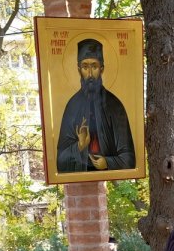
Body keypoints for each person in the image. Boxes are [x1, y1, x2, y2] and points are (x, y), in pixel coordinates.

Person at [56, 38, 136, 174]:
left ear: (102, 69)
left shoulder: (114, 105)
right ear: (78, 69)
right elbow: (60, 162)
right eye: (85, 67)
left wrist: (108, 162)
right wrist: (79, 146)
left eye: (94, 66)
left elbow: (130, 159)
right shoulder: (73, 105)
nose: (90, 74)